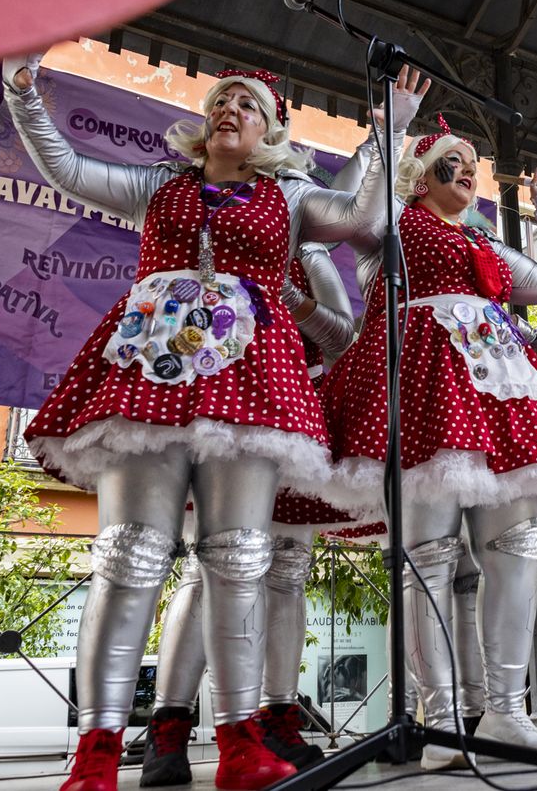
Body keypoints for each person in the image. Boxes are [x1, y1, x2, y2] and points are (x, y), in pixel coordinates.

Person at [2, 54, 425, 791]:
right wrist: (22, 91)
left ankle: (238, 743)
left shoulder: (289, 196)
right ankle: (96, 753)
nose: (228, 109)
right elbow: (67, 168)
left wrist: (389, 135)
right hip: (152, 371)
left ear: (268, 130)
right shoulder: (159, 185)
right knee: (129, 553)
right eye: (220, 99)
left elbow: (364, 218)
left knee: (238, 557)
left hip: (252, 379)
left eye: (247, 104)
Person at [321, 117, 537, 770]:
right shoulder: (393, 224)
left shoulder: (479, 239)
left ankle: (505, 712)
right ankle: (440, 720)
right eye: (456, 160)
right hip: (424, 385)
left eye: (473, 161)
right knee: (429, 557)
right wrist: (389, 131)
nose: (470, 169)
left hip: (498, 387)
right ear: (422, 177)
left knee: (518, 544)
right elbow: (354, 209)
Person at [141, 239, 359, 785]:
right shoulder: (204, 216)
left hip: (289, 405)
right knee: (204, 567)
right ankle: (169, 726)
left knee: (288, 570)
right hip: (216, 397)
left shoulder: (307, 251)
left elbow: (341, 336)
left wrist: (291, 281)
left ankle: (278, 717)